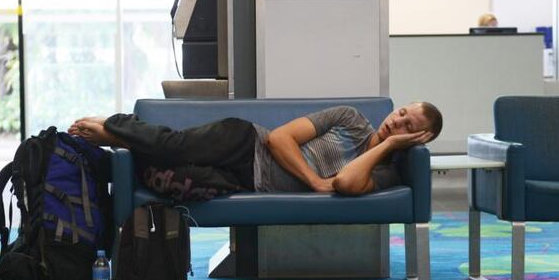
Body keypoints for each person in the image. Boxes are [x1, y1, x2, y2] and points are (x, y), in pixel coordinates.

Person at [69, 102, 443, 201]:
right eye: (401, 114)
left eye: (408, 127)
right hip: (244, 142)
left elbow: (346, 182)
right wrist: (314, 180)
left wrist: (389, 147)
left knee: (179, 180)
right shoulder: (350, 119)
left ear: (419, 139)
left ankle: (119, 149)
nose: (396, 122)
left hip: (243, 181)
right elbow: (278, 138)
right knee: (173, 146)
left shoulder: (385, 173)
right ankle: (115, 127)